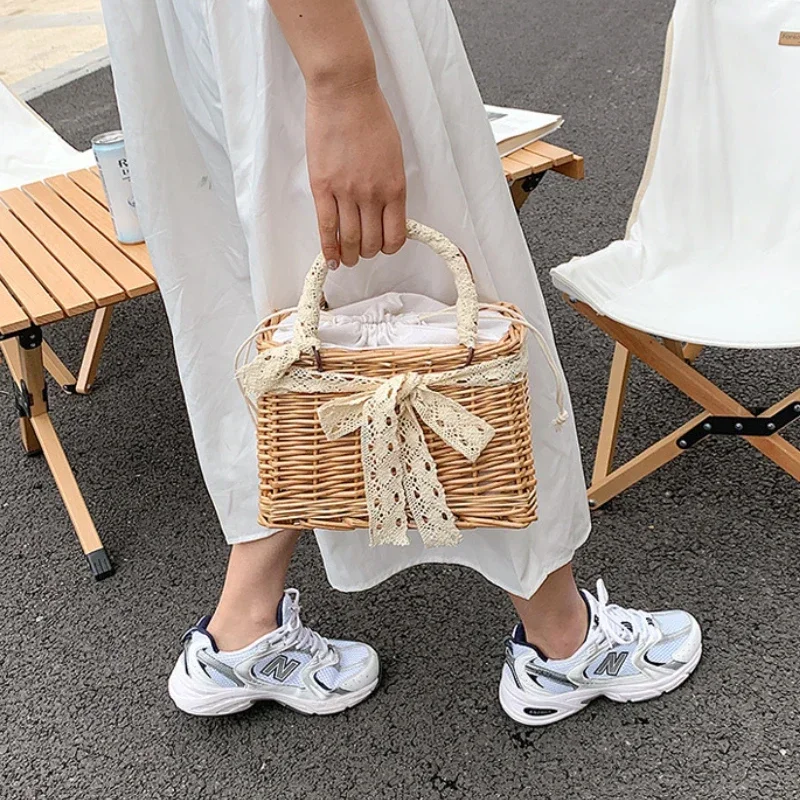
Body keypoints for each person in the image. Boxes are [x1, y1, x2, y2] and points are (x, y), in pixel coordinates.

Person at [101, 0, 701, 726]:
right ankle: (563, 642)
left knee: (266, 324)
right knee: (438, 304)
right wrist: (343, 83)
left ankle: (242, 628)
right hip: (307, 34)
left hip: (199, 31)